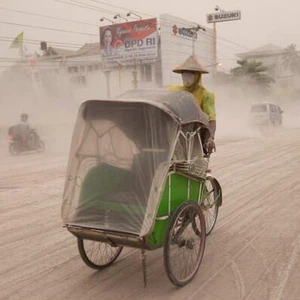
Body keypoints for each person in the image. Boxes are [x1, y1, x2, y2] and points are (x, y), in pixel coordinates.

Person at [169, 55, 217, 153]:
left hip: (196, 136)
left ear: (197, 76)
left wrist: (210, 138)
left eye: (190, 74)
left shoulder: (206, 95)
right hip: (176, 133)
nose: (186, 77)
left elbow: (211, 118)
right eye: (184, 74)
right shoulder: (174, 91)